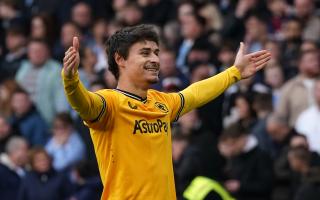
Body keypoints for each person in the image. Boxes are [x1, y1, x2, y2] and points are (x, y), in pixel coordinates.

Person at [62, 24, 270, 199]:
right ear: (120, 59)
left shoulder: (161, 103)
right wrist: (71, 80)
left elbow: (195, 93)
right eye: (145, 53)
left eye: (156, 52)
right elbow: (83, 103)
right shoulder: (109, 104)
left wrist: (234, 72)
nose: (155, 59)